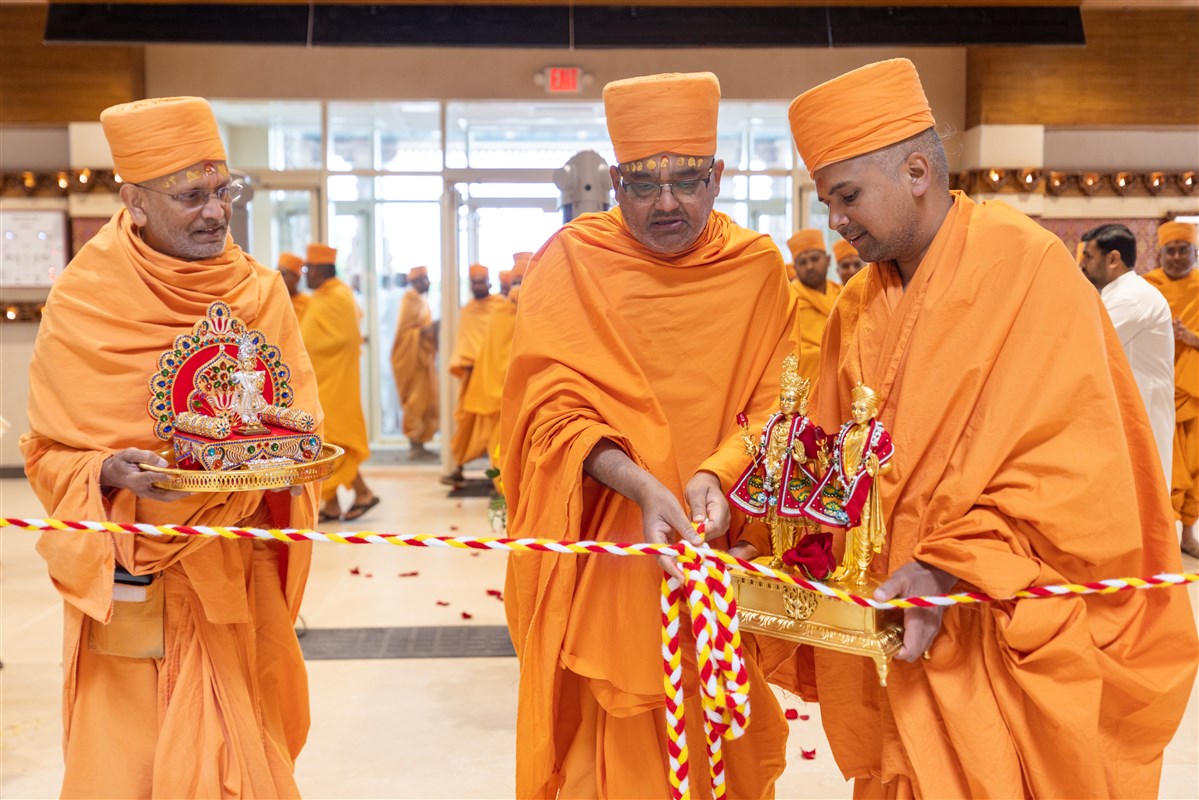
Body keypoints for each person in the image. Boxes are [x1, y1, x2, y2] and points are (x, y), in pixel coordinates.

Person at [775, 58, 1196, 797]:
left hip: (993, 620)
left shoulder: (1025, 267)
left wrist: (946, 566)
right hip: (895, 631)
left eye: (846, 197)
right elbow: (831, 456)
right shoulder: (854, 306)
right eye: (826, 200)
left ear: (914, 171)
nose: (836, 221)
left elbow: (1077, 469)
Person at [501, 71, 796, 798]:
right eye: (642, 183)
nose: (667, 201)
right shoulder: (572, 261)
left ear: (718, 176)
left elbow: (779, 405)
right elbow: (547, 413)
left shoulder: (756, 267)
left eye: (687, 180)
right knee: (615, 741)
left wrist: (717, 474)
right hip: (611, 543)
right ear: (613, 179)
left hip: (720, 536)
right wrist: (637, 484)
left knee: (718, 731)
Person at [20, 96, 321, 798]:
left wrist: (267, 464)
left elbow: (299, 420)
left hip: (233, 569)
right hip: (133, 578)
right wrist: (105, 471)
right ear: (134, 200)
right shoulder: (84, 299)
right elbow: (47, 453)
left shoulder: (258, 290)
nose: (215, 212)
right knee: (130, 768)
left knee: (238, 757)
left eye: (223, 191)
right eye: (191, 197)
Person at [1080, 223, 1175, 483]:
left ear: (1113, 259)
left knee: (1142, 496)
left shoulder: (1132, 297)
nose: (1083, 264)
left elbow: (1082, 342)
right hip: (1127, 414)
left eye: (1088, 256)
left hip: (1142, 414)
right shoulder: (1119, 295)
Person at [300, 243, 377, 522]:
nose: (305, 274)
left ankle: (364, 492)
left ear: (321, 270)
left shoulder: (338, 297)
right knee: (322, 438)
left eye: (308, 268)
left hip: (335, 382)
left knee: (333, 439)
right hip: (320, 380)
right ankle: (331, 504)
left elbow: (343, 339)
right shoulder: (322, 297)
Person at [1145, 221, 1199, 558]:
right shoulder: (1148, 288)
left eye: (1184, 250)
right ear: (1160, 254)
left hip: (1194, 391)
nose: (1176, 257)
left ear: (1196, 253)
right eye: (1170, 250)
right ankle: (1159, 536)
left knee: (1194, 465)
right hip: (1158, 390)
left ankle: (1188, 533)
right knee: (1158, 464)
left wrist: (1193, 339)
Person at [444, 264, 507, 486]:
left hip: (494, 377)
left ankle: (499, 478)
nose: (478, 285)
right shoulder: (468, 310)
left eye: (482, 281)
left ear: (489, 282)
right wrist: (467, 362)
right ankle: (458, 466)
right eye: (475, 282)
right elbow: (464, 343)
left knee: (496, 430)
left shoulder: (501, 306)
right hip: (473, 377)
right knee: (465, 424)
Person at [391, 266, 439, 460]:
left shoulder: (422, 301)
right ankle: (414, 445)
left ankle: (421, 443)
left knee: (427, 404)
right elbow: (404, 335)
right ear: (416, 282)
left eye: (427, 279)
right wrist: (425, 331)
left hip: (423, 360)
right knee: (414, 403)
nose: (428, 283)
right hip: (411, 361)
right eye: (424, 280)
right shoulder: (409, 300)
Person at [788, 228, 841, 385]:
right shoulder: (788, 299)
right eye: (803, 262)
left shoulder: (844, 295)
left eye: (815, 259)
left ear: (828, 260)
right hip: (803, 387)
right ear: (795, 268)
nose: (810, 266)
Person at [277, 251, 309, 320]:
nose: (278, 277)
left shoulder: (308, 304)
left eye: (283, 274)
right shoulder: (273, 301)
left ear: (296, 278)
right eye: (277, 273)